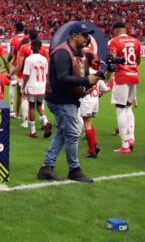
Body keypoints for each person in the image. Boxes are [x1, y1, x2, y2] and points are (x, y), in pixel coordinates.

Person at [37, 21, 101, 183]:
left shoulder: (77, 53)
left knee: (62, 133)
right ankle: (74, 169)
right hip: (61, 99)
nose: (87, 39)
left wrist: (95, 77)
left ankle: (47, 167)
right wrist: (86, 80)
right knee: (72, 133)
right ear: (74, 35)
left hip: (67, 99)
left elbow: (79, 76)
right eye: (85, 36)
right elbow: (62, 79)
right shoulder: (62, 53)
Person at [108, 21, 140, 154]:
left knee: (120, 109)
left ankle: (125, 144)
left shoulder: (114, 41)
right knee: (128, 107)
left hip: (122, 76)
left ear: (115, 30)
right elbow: (138, 61)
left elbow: (112, 61)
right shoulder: (136, 41)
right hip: (134, 75)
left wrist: (107, 77)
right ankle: (131, 137)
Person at [21, 39, 51, 138]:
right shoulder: (44, 59)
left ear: (31, 47)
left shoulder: (29, 59)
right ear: (41, 47)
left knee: (31, 106)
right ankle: (46, 122)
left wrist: (23, 87)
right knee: (39, 106)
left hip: (32, 86)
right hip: (42, 86)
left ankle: (33, 131)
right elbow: (46, 74)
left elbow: (26, 75)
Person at [79, 75, 110, 159]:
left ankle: (92, 151)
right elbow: (105, 89)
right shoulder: (97, 73)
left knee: (86, 123)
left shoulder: (86, 71)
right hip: (95, 100)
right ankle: (94, 145)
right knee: (88, 122)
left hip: (86, 100)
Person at [6, 22, 28, 121]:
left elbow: (11, 54)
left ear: (15, 28)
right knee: (24, 91)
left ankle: (11, 109)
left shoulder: (14, 39)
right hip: (27, 67)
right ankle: (26, 114)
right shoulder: (27, 37)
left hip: (16, 66)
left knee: (12, 86)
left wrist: (7, 61)